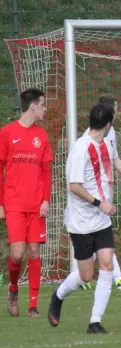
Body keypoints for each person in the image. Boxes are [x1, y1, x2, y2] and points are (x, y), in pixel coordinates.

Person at [48, 103, 118, 334]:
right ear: (108, 125)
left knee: (106, 265)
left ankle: (94, 322)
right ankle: (58, 296)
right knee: (86, 275)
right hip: (81, 222)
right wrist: (101, 203)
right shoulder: (81, 149)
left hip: (101, 220)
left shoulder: (99, 144)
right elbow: (74, 186)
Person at [79, 94, 121, 290]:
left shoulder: (111, 132)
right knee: (95, 234)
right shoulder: (87, 139)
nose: (118, 112)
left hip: (107, 189)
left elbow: (114, 159)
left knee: (101, 232)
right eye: (115, 108)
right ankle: (111, 277)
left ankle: (99, 277)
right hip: (93, 192)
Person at [0, 88, 53, 318]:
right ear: (33, 106)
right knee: (18, 254)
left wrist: (46, 200)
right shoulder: (6, 133)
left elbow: (46, 170)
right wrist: (1, 204)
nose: (45, 108)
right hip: (14, 204)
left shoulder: (42, 135)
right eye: (43, 104)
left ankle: (33, 306)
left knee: (34, 251)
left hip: (35, 206)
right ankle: (13, 290)